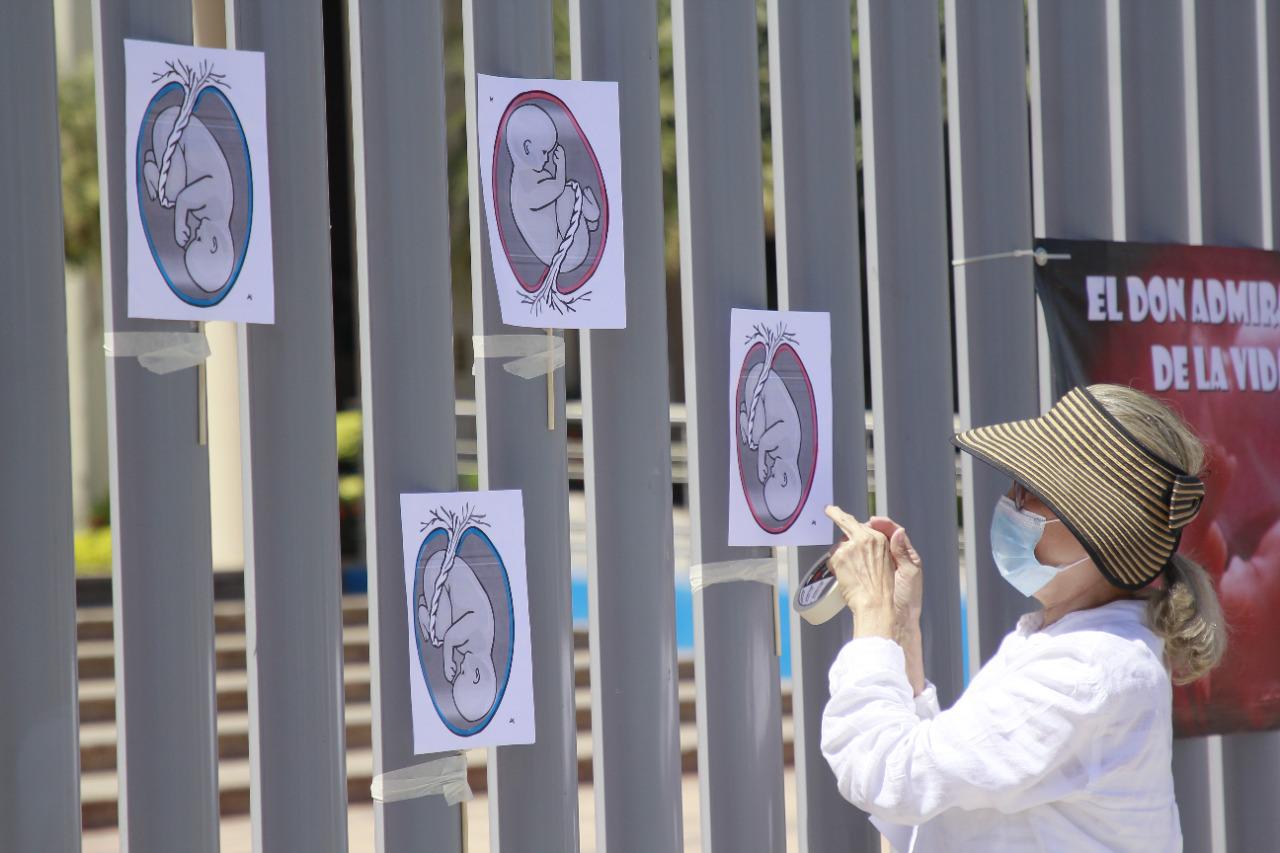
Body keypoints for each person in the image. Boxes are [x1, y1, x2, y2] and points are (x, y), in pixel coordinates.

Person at [820, 384, 1226, 852]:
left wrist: (870, 617)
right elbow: (946, 801)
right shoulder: (1071, 645)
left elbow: (889, 775)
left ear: (1100, 534)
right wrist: (900, 627)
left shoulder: (1086, 671)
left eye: (1034, 493)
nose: (1011, 499)